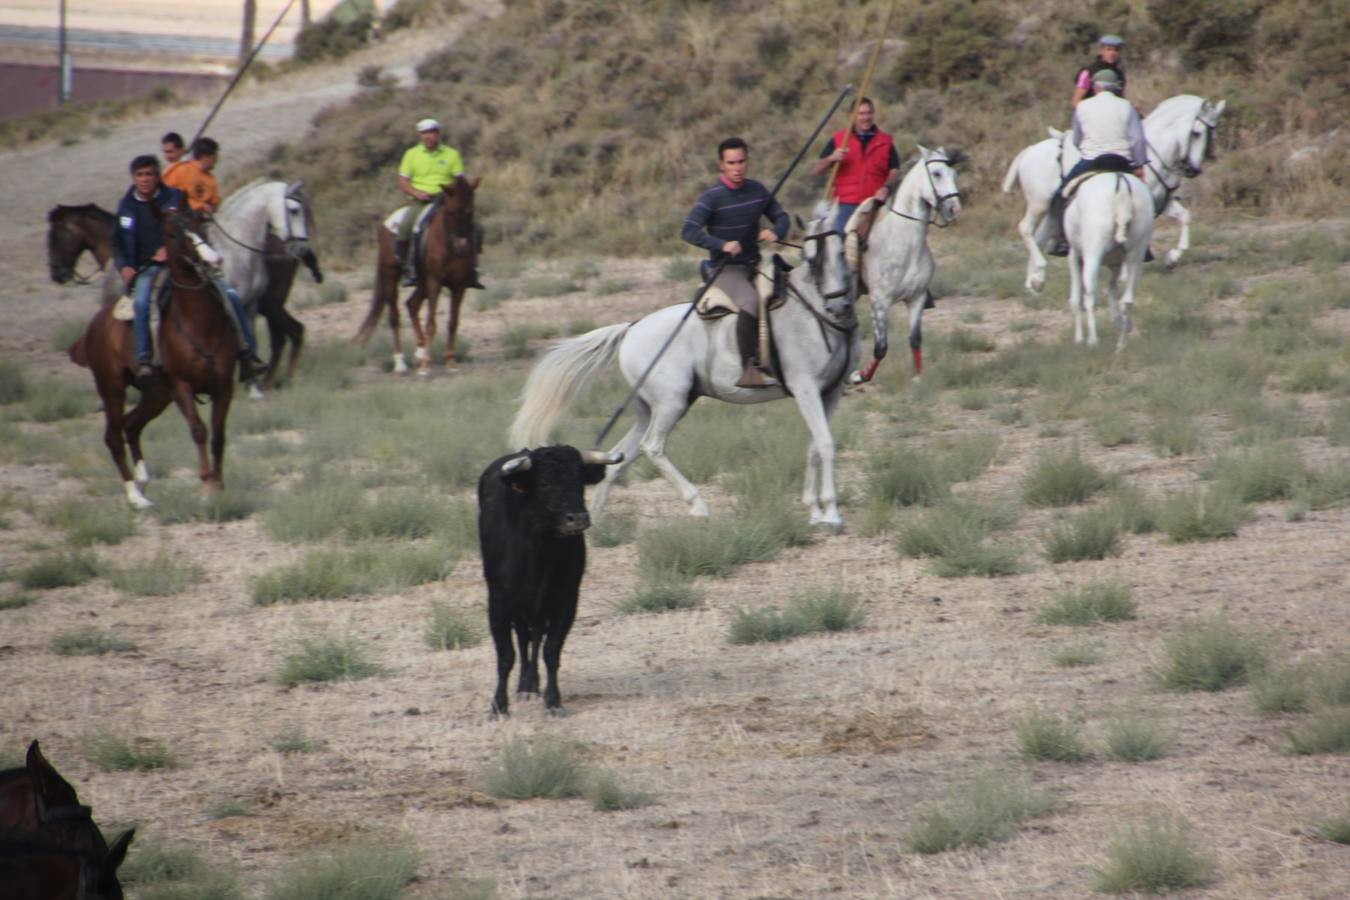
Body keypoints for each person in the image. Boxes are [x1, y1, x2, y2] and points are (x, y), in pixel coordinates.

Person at [681, 137, 790, 388]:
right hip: (725, 269)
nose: (737, 167)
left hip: (756, 263)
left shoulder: (758, 190)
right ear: (721, 165)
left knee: (793, 289)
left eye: (741, 161)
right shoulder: (712, 197)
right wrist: (721, 245)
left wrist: (777, 231)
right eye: (731, 163)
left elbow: (781, 216)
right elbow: (688, 230)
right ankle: (749, 368)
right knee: (750, 303)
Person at [162, 137, 268, 381]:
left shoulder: (210, 178)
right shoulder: (180, 171)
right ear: (207, 155)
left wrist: (208, 208)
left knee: (231, 294)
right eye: (215, 156)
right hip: (182, 235)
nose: (217, 160)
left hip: (204, 232)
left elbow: (214, 203)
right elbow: (165, 197)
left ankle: (247, 354)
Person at [1048, 68, 1147, 257]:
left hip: (1092, 160)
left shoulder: (1083, 107)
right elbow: (1137, 140)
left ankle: (1061, 241)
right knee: (1144, 200)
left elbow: (1077, 139)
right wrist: (1140, 164)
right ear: (1116, 88)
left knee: (1060, 196)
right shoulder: (1127, 107)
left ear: (1095, 88)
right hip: (1122, 161)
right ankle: (1144, 244)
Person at [114, 155, 184, 385]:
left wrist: (169, 249)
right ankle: (144, 358)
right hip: (146, 268)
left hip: (179, 261)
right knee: (142, 302)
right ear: (133, 178)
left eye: (149, 174)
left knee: (224, 291)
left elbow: (187, 225)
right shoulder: (126, 208)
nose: (145, 179)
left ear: (157, 176)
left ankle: (244, 351)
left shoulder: (173, 197)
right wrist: (124, 265)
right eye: (140, 175)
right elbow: (117, 243)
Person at [395, 117, 484, 289]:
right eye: (425, 133)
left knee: (476, 228)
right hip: (420, 200)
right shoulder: (411, 155)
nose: (429, 137)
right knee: (407, 226)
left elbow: (459, 180)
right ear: (420, 135)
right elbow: (403, 181)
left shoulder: (451, 154)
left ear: (438, 134)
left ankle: (471, 270)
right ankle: (409, 269)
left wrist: (457, 192)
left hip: (445, 198)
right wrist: (416, 192)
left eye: (432, 133)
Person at [810, 97, 901, 237]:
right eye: (861, 114)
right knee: (841, 235)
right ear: (852, 116)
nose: (866, 117)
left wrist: (886, 187)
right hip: (847, 204)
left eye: (869, 113)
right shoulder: (839, 139)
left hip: (875, 204)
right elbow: (816, 170)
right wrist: (831, 158)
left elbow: (895, 170)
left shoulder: (886, 141)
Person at [1072, 34, 1126, 108]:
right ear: (1101, 51)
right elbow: (1076, 101)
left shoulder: (1120, 75)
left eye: (1116, 50)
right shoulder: (1088, 72)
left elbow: (1120, 98)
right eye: (1109, 49)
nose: (1112, 53)